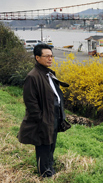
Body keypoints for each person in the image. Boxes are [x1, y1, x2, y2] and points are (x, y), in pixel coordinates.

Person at [18, 44, 70, 178]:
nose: (50, 59)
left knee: (51, 144)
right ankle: (44, 174)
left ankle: (50, 168)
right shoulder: (33, 76)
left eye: (51, 56)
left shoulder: (48, 73)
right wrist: (40, 118)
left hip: (53, 115)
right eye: (46, 56)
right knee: (43, 146)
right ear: (37, 57)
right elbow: (30, 101)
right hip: (44, 118)